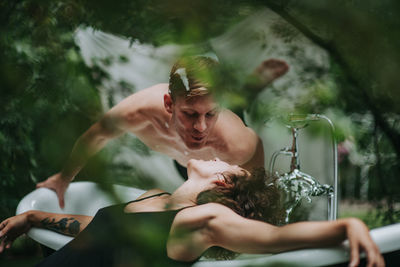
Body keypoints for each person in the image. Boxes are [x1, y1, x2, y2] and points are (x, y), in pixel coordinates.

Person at [0, 159, 383, 266]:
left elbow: (274, 239)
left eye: (226, 163)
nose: (218, 156)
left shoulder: (196, 223)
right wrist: (34, 218)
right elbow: (100, 231)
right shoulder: (153, 197)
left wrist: (347, 225)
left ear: (223, 183)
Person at [36, 56, 289, 208]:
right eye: (189, 114)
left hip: (214, 159)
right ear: (169, 104)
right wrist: (63, 177)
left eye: (209, 115)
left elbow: (257, 185)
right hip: (182, 162)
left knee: (236, 108)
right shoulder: (139, 111)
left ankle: (246, 91)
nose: (200, 127)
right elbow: (96, 135)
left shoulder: (236, 142)